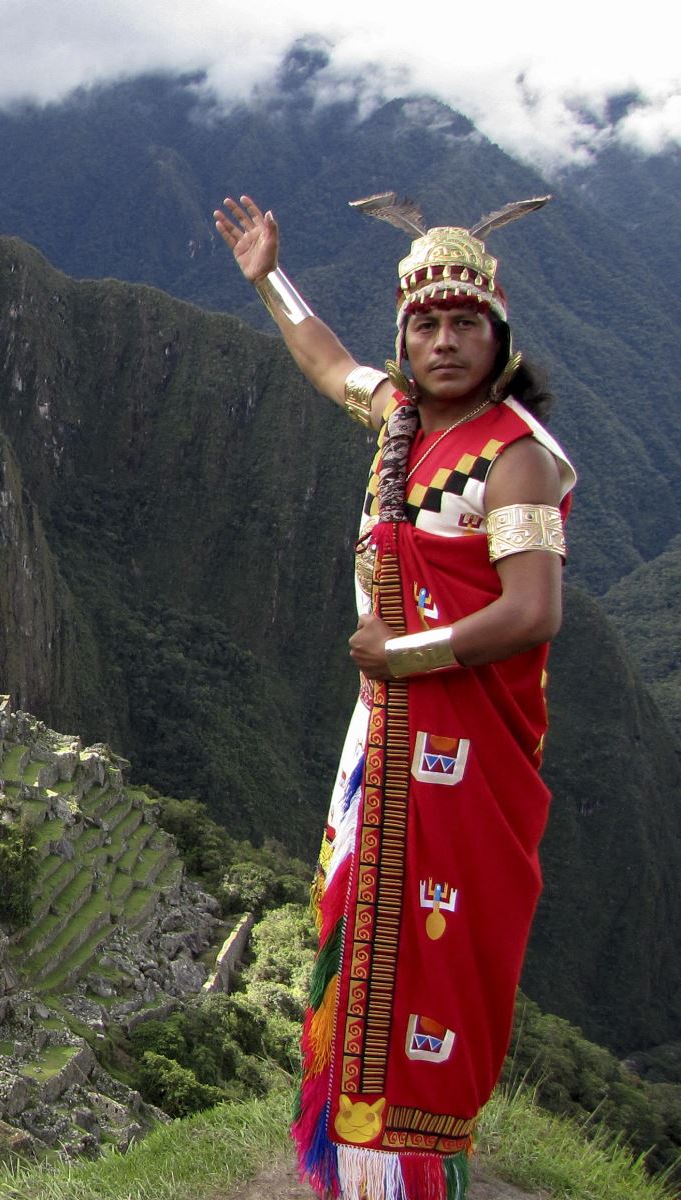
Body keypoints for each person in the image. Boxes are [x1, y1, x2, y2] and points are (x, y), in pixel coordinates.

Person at [214, 192, 574, 1200]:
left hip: (458, 741)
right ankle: (354, 1152)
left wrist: (402, 653)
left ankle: (413, 1162)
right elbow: (327, 361)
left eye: (465, 323)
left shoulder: (515, 462)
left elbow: (532, 609)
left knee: (439, 951)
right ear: (406, 337)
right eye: (426, 324)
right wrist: (267, 277)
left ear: (499, 334)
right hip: (383, 731)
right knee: (361, 920)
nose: (445, 341)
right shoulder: (397, 422)